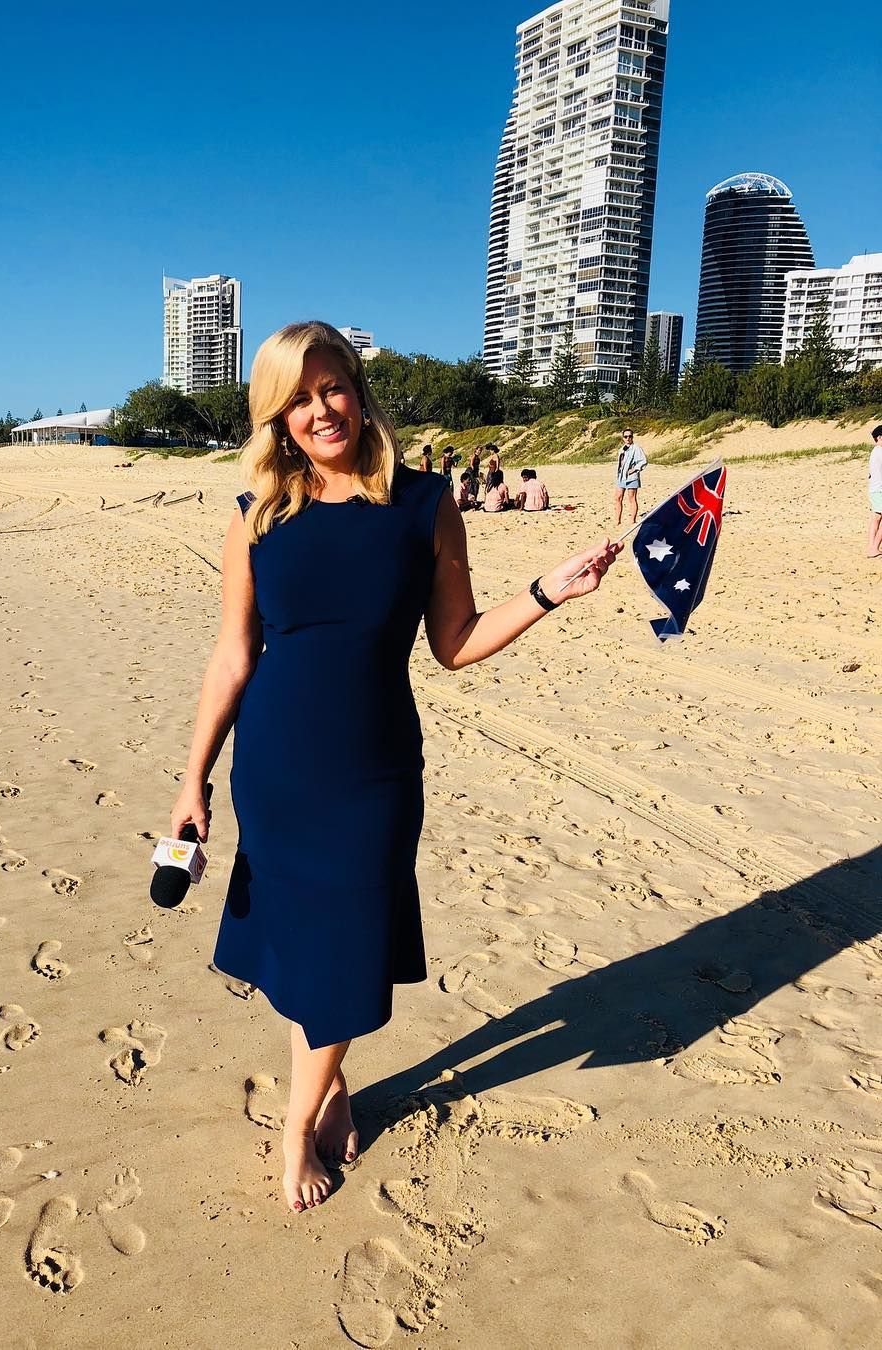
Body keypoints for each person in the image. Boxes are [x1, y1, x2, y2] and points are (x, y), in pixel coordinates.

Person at [168, 321, 620, 1215]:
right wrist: (194, 778)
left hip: (374, 772)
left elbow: (455, 642)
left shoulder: (424, 503)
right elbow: (232, 656)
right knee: (305, 946)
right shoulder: (256, 516)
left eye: (332, 387)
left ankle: (295, 1124)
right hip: (277, 767)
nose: (320, 410)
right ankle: (328, 1090)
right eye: (298, 399)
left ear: (358, 391)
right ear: (277, 417)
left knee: (347, 944)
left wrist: (547, 593)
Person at [614, 428, 647, 526]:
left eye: (630, 436)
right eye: (626, 436)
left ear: (632, 437)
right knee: (618, 497)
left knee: (632, 498)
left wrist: (635, 469)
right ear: (623, 438)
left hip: (631, 477)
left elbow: (643, 461)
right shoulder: (622, 449)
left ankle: (632, 520)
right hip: (621, 477)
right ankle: (617, 520)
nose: (628, 438)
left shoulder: (636, 448)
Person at [868, 424, 882, 559]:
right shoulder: (880, 452)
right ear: (879, 437)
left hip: (874, 489)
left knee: (876, 518)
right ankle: (874, 547)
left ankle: (872, 548)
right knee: (877, 518)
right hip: (879, 490)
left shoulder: (875, 452)